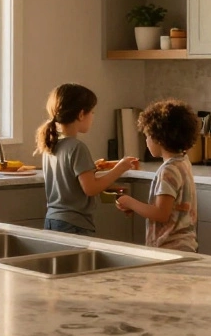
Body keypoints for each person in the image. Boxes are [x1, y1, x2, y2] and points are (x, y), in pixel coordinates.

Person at [36, 83, 137, 235]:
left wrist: (91, 169)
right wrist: (120, 168)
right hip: (74, 224)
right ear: (81, 114)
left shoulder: (51, 145)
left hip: (52, 220)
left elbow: (71, 180)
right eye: (92, 112)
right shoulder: (77, 147)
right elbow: (91, 189)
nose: (93, 117)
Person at [115, 100, 200, 252]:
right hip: (186, 246)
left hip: (168, 248)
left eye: (147, 136)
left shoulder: (168, 170)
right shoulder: (183, 162)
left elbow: (161, 213)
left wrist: (129, 202)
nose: (146, 141)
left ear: (158, 138)